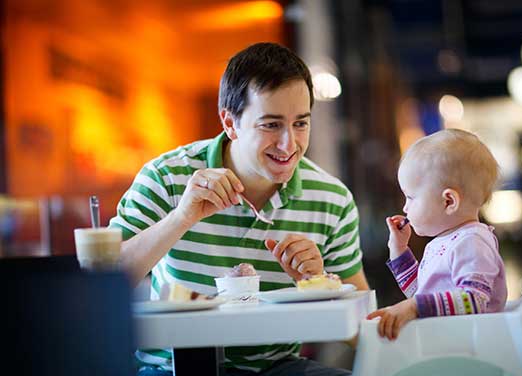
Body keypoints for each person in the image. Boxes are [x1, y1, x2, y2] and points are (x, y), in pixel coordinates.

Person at [109, 42, 369, 375]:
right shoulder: (167, 177)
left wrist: (318, 282)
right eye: (271, 125)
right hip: (171, 367)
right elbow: (103, 285)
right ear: (230, 123)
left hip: (274, 367)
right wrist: (181, 218)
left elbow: (363, 330)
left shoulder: (331, 199)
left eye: (300, 124)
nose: (289, 144)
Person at [367, 128, 507, 340]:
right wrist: (399, 250)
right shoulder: (444, 241)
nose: (405, 208)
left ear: (448, 201)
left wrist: (414, 307)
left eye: (411, 197)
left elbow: (473, 300)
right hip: (450, 342)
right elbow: (419, 292)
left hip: (473, 347)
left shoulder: (472, 242)